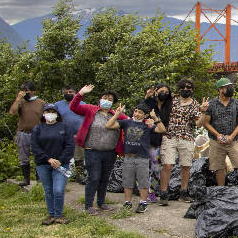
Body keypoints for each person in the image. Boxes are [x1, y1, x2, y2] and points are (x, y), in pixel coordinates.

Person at [71, 84, 127, 215]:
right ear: (100, 99)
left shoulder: (116, 114)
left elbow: (132, 121)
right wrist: (80, 94)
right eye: (105, 97)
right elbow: (73, 107)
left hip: (110, 152)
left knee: (104, 178)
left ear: (113, 103)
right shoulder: (91, 110)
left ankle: (101, 203)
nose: (107, 100)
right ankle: (88, 205)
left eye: (110, 99)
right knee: (94, 178)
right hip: (93, 151)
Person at [107, 103, 165, 213]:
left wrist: (155, 118)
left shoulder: (147, 125)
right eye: (136, 111)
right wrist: (117, 114)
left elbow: (162, 129)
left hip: (142, 158)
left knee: (143, 181)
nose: (137, 114)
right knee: (127, 181)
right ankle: (127, 202)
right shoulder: (127, 122)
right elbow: (109, 125)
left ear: (145, 115)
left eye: (140, 112)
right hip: (128, 157)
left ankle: (143, 203)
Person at [30, 103, 76, 224]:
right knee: (48, 190)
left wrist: (60, 160)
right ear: (43, 114)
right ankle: (51, 214)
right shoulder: (37, 128)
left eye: (53, 112)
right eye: (48, 111)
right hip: (43, 164)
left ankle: (59, 214)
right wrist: (48, 159)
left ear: (57, 114)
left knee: (58, 189)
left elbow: (70, 146)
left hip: (61, 164)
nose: (50, 114)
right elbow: (35, 147)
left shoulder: (65, 127)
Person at [158, 78, 202, 204]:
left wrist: (203, 112)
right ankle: (164, 193)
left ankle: (183, 192)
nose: (185, 90)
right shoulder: (171, 99)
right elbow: (158, 104)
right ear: (179, 88)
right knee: (167, 164)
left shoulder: (195, 104)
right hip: (169, 135)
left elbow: (198, 123)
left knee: (186, 166)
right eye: (183, 87)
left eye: (188, 88)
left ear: (192, 90)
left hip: (186, 136)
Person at [202, 78, 238, 186]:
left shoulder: (237, 103)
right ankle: (221, 190)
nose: (230, 89)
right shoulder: (211, 104)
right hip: (216, 141)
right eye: (227, 87)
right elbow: (206, 122)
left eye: (231, 87)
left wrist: (231, 136)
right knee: (218, 168)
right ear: (220, 89)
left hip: (234, 140)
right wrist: (217, 135)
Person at [8, 81, 46, 186]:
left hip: (37, 133)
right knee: (23, 157)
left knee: (39, 155)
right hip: (23, 133)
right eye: (23, 91)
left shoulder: (41, 103)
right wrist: (17, 99)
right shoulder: (21, 102)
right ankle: (26, 179)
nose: (25, 93)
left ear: (33, 91)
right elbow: (12, 112)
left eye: (27, 91)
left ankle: (40, 179)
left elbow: (46, 118)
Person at [142, 83, 173, 202]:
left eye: (166, 92)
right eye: (162, 91)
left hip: (159, 142)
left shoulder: (168, 107)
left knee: (156, 169)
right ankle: (143, 193)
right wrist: (146, 97)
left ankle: (152, 192)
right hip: (146, 140)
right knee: (144, 168)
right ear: (156, 92)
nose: (163, 93)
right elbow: (139, 111)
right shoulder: (150, 103)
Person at [53, 85, 86, 181]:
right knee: (63, 156)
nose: (68, 94)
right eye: (66, 92)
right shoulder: (57, 105)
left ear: (75, 93)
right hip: (62, 135)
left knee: (79, 157)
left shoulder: (82, 103)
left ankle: (79, 176)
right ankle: (62, 175)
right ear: (63, 94)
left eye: (70, 92)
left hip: (79, 135)